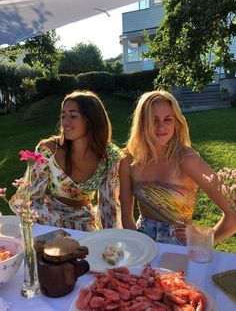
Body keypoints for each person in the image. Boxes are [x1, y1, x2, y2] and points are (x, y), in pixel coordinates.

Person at [119, 90, 236, 245]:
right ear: (142, 122)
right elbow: (126, 215)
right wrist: (137, 244)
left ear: (176, 122)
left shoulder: (187, 159)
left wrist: (205, 240)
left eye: (167, 119)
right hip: (142, 241)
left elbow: (233, 214)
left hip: (178, 244)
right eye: (153, 120)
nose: (161, 127)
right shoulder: (129, 159)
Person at [9, 90, 123, 231]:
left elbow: (109, 205)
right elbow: (29, 199)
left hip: (84, 223)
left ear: (92, 119)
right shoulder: (48, 151)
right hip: (48, 221)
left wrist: (112, 239)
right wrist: (54, 226)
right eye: (63, 116)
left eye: (73, 116)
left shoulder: (109, 156)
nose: (65, 122)